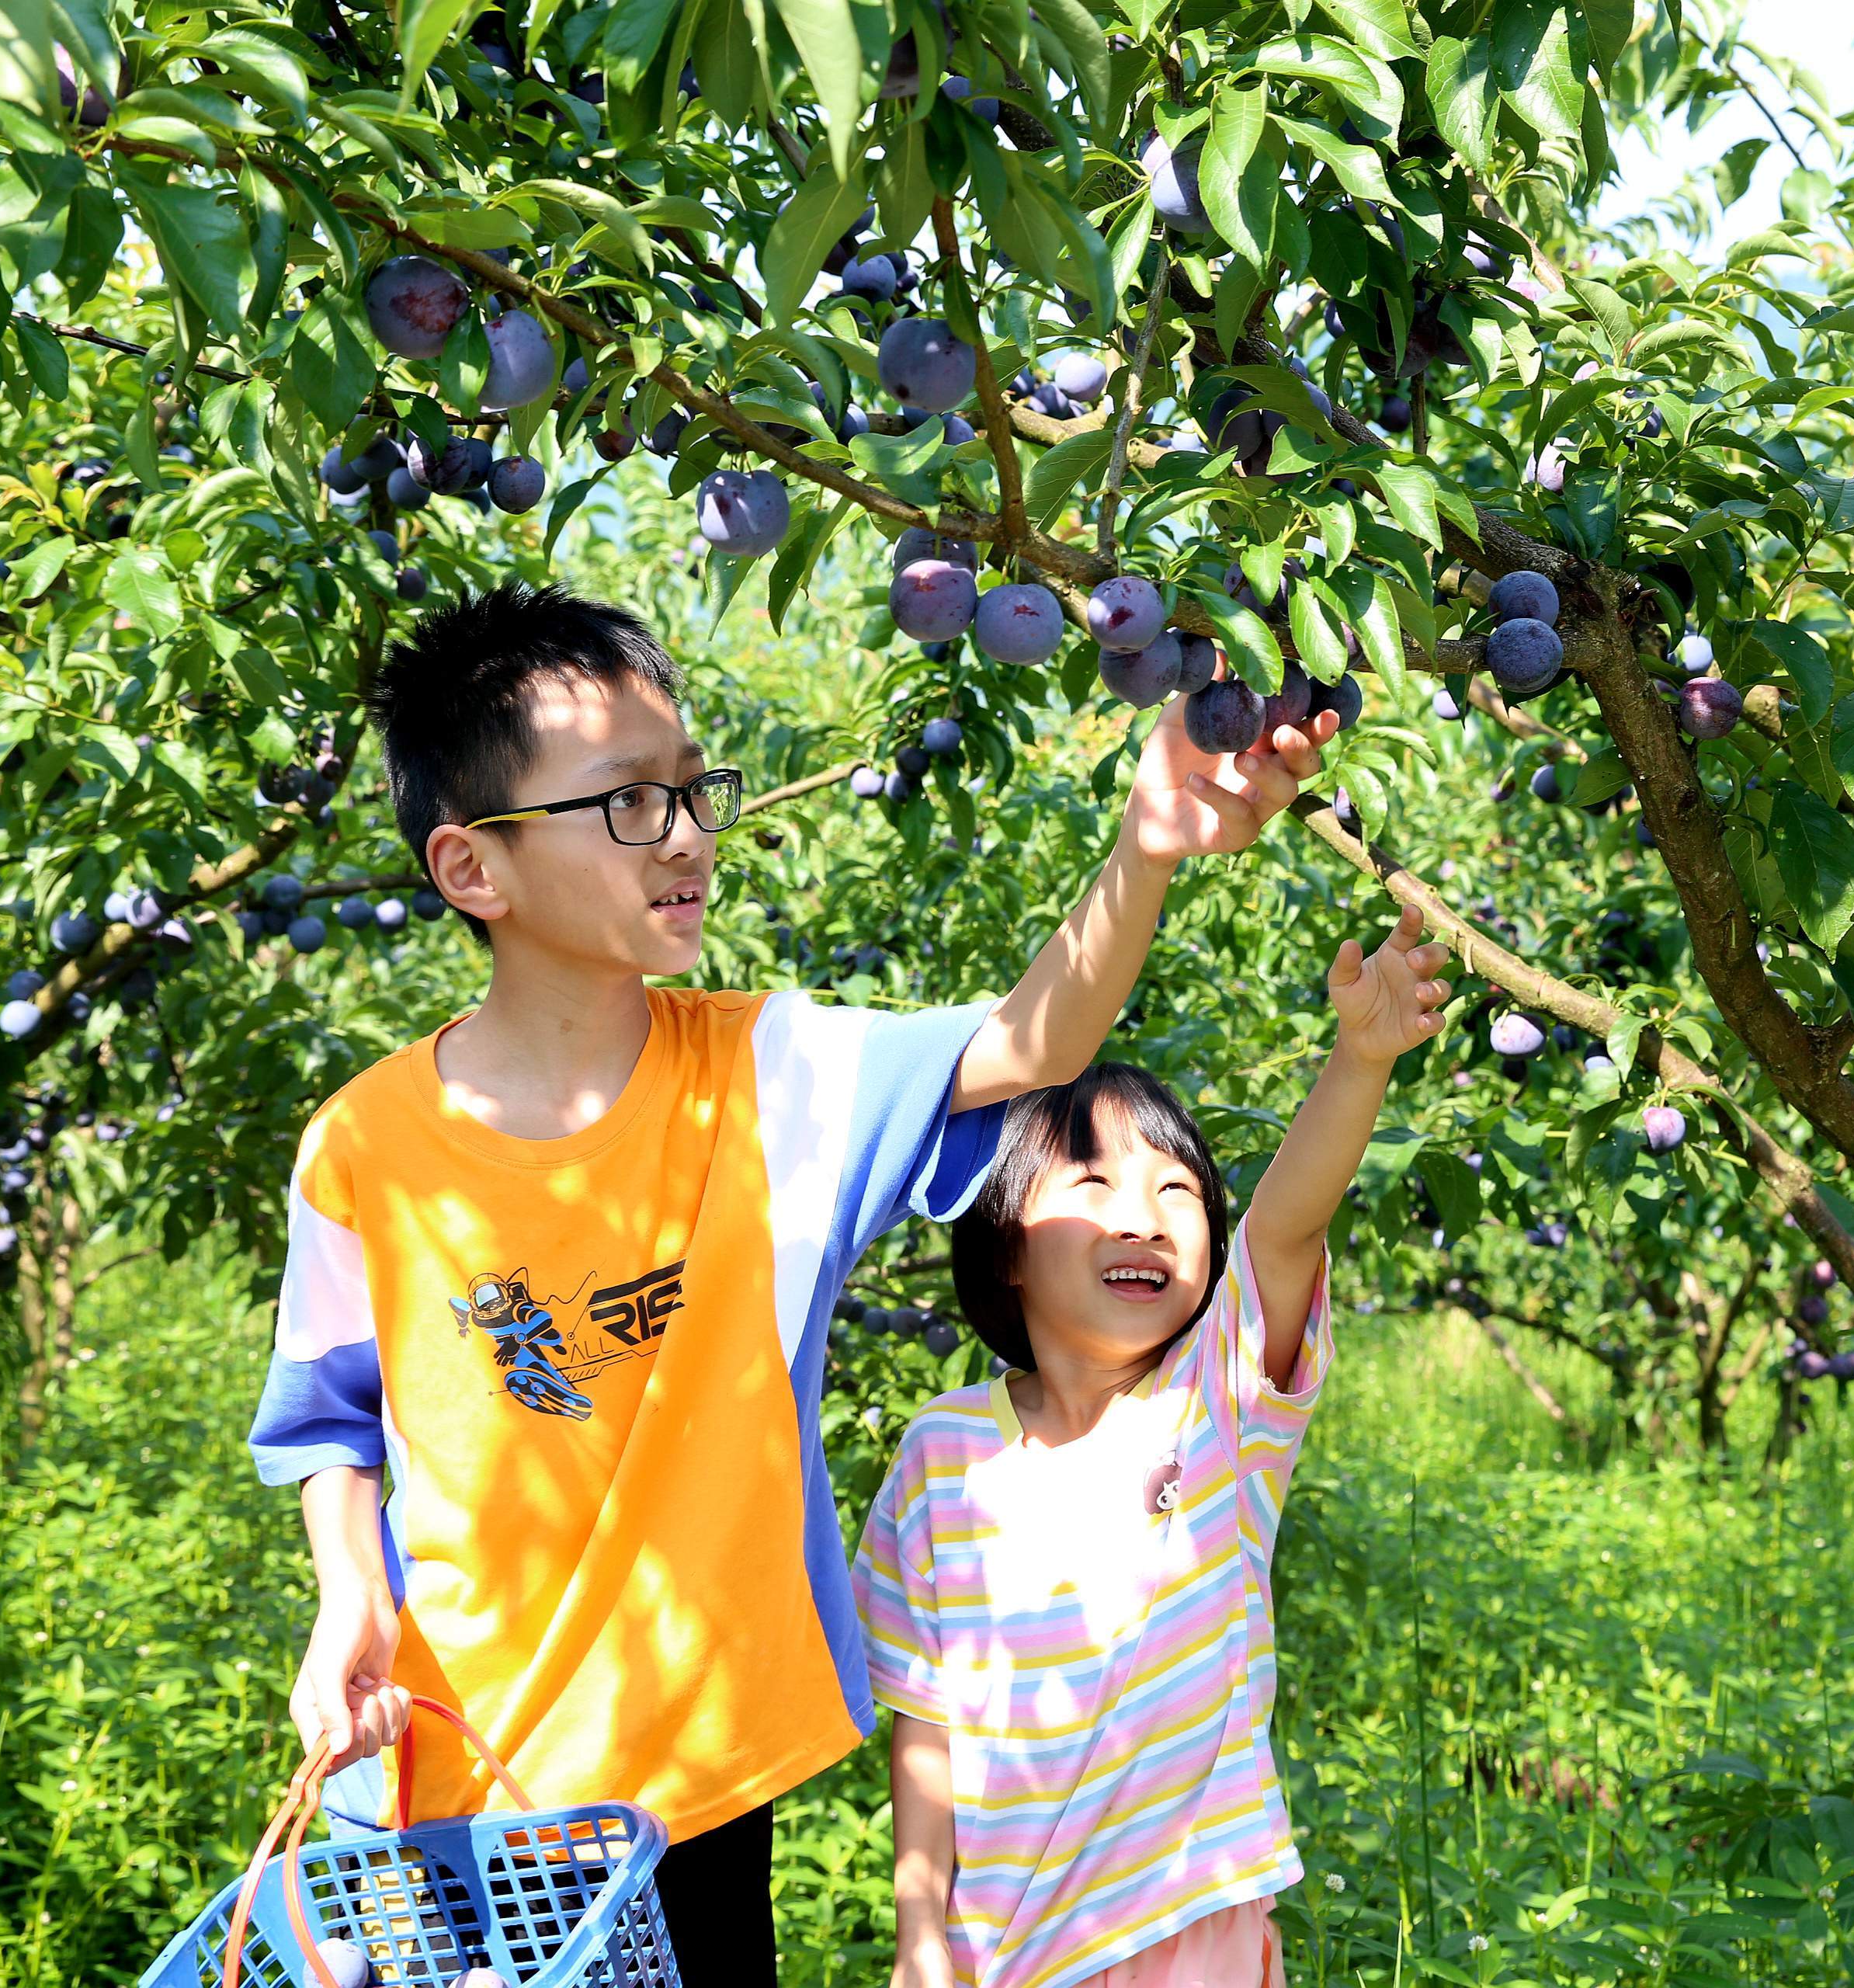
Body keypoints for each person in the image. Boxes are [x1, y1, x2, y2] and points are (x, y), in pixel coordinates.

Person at [245, 581, 1335, 1981]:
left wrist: (1145, 851)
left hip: (690, 1780)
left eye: (697, 792)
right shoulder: (365, 1151)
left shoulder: (772, 1080)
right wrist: (350, 1595)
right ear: (474, 870)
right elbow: (331, 1415)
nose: (686, 835)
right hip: (451, 1782)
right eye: (628, 801)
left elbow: (1030, 1041)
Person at [856, 909, 1451, 1988]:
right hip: (1005, 1951)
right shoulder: (941, 1457)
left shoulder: (1216, 1407)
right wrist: (918, 1927)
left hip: (1189, 1926)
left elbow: (1286, 1225)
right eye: (1094, 1187)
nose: (1145, 1219)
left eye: (1176, 1193)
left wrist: (1361, 1060)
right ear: (1007, 1246)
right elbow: (926, 1721)